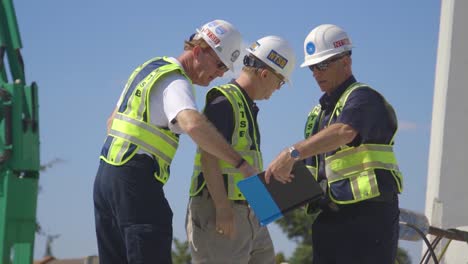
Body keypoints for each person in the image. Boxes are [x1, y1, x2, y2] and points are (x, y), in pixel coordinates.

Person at [93, 19, 258, 264]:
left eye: (225, 68)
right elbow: (193, 125)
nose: (220, 73)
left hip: (106, 179)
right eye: (219, 64)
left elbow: (111, 122)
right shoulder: (179, 82)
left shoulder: (149, 69)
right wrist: (241, 166)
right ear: (198, 51)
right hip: (137, 182)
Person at [265, 24, 403, 264]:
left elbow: (344, 131)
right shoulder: (318, 113)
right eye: (312, 68)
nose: (317, 73)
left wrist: (291, 153)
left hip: (369, 217)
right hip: (329, 217)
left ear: (346, 61)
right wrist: (257, 201)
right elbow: (307, 172)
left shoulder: (364, 97)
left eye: (323, 65)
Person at [186, 36, 296, 264]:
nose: (278, 89)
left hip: (249, 212)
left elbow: (245, 165)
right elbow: (209, 158)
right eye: (281, 82)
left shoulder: (246, 106)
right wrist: (222, 208)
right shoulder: (224, 101)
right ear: (265, 74)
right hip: (221, 209)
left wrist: (264, 209)